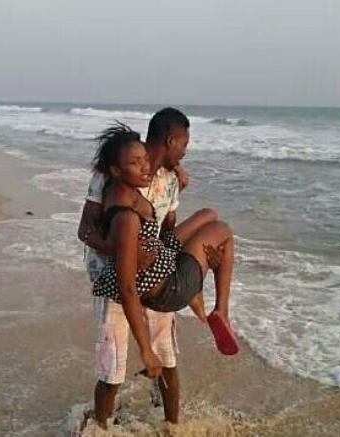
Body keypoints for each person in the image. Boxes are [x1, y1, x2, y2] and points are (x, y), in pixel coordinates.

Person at [86, 123, 238, 430]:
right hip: (122, 276)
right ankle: (100, 428)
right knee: (112, 367)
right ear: (170, 141)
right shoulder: (111, 181)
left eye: (144, 160)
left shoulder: (168, 179)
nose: (185, 153)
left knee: (166, 356)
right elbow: (86, 230)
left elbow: (166, 230)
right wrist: (123, 249)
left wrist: (199, 256)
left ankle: (171, 425)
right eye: (183, 145)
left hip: (156, 261)